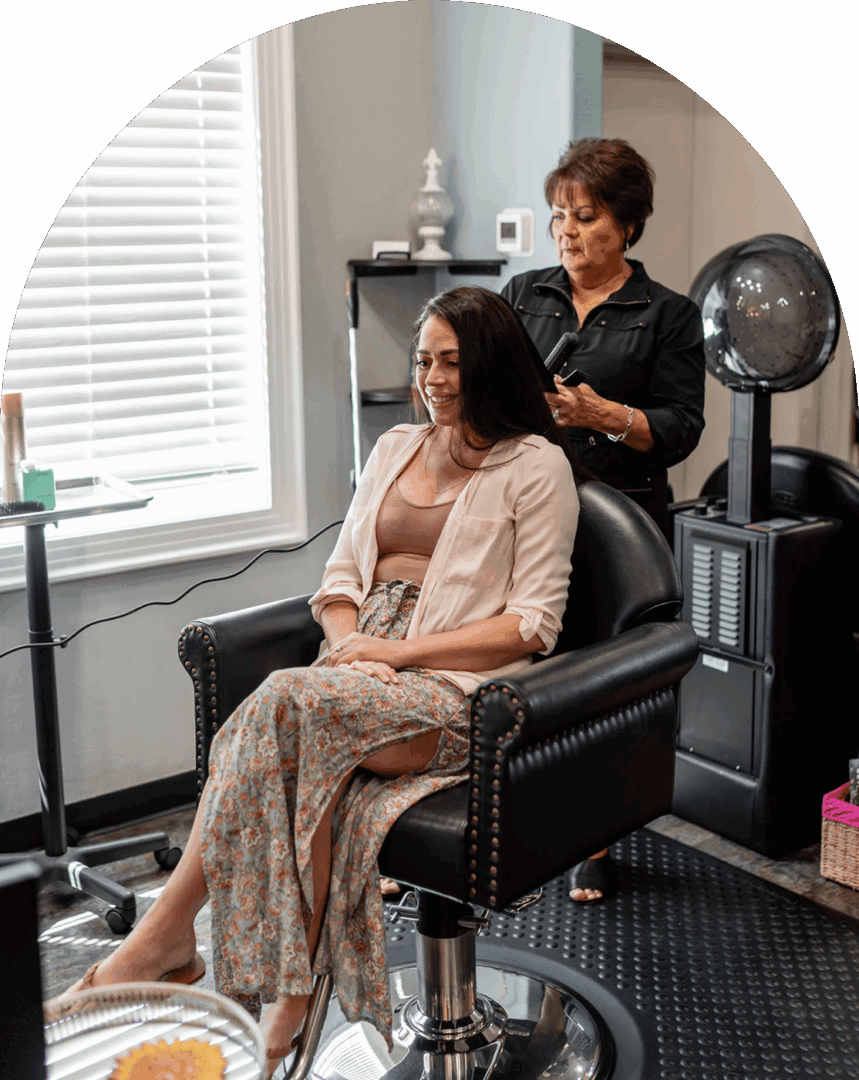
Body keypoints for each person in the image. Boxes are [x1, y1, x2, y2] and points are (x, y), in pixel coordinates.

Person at [46, 286, 579, 1078]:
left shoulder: (537, 467)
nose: (431, 377)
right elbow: (337, 580)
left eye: (452, 362)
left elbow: (530, 624)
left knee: (280, 706)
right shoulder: (394, 447)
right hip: (354, 669)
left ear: (491, 366)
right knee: (297, 721)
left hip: (451, 694)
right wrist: (348, 645)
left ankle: (171, 947)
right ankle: (265, 988)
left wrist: (395, 656)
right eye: (423, 359)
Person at [501, 137, 706, 904]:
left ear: (625, 225)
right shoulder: (524, 294)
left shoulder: (668, 315)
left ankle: (595, 836)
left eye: (584, 217)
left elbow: (680, 429)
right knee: (529, 662)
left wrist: (602, 414)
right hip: (528, 509)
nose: (566, 231)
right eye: (557, 216)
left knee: (598, 683)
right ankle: (521, 816)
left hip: (619, 520)